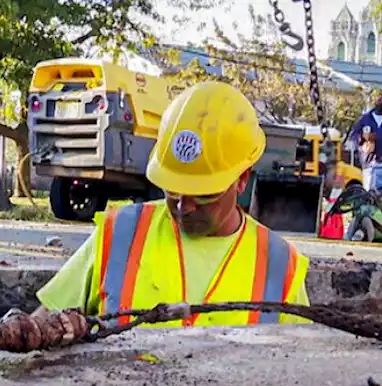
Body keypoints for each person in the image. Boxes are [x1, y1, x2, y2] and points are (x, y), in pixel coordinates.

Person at [35, 81, 311, 328]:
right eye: (173, 192)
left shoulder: (280, 265)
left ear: (241, 180)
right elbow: (44, 321)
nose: (183, 207)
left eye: (202, 194)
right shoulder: (120, 232)